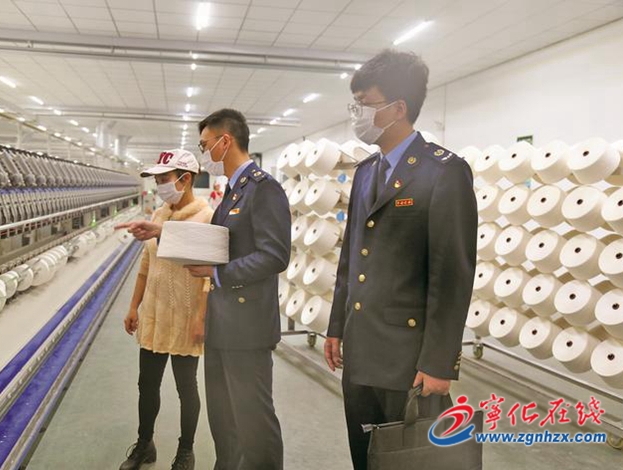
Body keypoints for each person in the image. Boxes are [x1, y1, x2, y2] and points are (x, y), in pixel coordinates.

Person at [323, 49, 478, 470]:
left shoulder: (443, 171)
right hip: (360, 351)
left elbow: (452, 276)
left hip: (408, 361)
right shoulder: (366, 172)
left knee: (410, 461)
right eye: (354, 103)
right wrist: (336, 327)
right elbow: (350, 260)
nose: (357, 114)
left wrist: (439, 362)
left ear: (398, 108)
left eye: (364, 103)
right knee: (365, 457)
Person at [117, 109, 291, 470]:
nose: (204, 151)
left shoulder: (263, 188)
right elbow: (214, 242)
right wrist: (161, 231)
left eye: (205, 144)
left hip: (247, 328)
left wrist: (218, 274)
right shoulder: (232, 192)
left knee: (254, 422)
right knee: (224, 421)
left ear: (225, 141)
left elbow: (275, 256)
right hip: (223, 324)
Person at [119, 149, 213, 470]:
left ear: (185, 179)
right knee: (147, 384)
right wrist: (134, 306)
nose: (160, 185)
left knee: (186, 388)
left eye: (164, 178)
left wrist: (201, 318)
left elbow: (209, 275)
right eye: (157, 179)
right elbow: (146, 266)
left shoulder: (206, 217)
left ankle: (186, 452)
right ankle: (145, 444)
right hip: (155, 316)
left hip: (187, 317)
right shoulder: (159, 214)